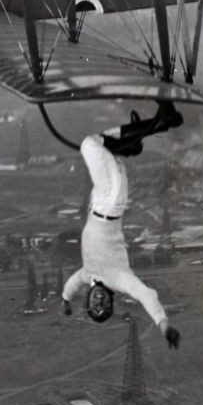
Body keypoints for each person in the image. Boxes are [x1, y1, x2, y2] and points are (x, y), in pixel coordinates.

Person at [61, 103, 183, 350]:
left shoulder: (88, 275)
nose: (98, 302)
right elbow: (146, 295)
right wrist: (164, 325)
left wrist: (65, 301)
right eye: (103, 306)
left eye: (93, 306)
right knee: (89, 144)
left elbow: (71, 285)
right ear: (109, 301)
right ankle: (151, 128)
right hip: (110, 202)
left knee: (103, 143)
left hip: (101, 200)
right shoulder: (119, 279)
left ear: (88, 301)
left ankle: (162, 123)